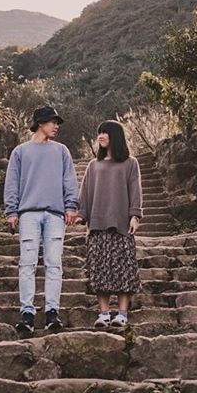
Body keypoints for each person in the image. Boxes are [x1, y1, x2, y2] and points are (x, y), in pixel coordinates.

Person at [3, 105, 80, 333]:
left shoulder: (62, 151)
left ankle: (51, 312)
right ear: (40, 123)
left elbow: (70, 180)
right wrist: (11, 211)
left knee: (54, 264)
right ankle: (27, 312)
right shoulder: (20, 152)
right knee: (27, 263)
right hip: (28, 214)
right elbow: (12, 183)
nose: (56, 126)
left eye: (57, 122)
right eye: (52, 122)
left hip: (55, 214)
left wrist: (71, 206)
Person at [76, 119, 142, 329]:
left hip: (121, 225)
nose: (100, 136)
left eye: (104, 133)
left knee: (124, 269)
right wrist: (80, 214)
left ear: (115, 136)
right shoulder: (93, 166)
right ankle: (103, 314)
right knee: (99, 271)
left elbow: (135, 191)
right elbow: (85, 193)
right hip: (97, 226)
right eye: (99, 133)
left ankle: (122, 313)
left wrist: (135, 215)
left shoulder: (130, 163)